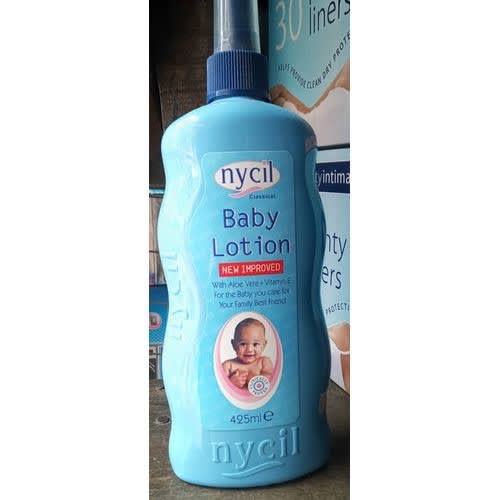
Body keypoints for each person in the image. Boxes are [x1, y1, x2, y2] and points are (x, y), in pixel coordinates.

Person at [222, 317, 273, 390]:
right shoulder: (228, 366)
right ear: (234, 345)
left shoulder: (264, 362)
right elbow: (220, 385)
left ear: (264, 345)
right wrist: (231, 382)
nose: (249, 349)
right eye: (243, 344)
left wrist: (258, 381)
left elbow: (271, 380)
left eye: (255, 344)